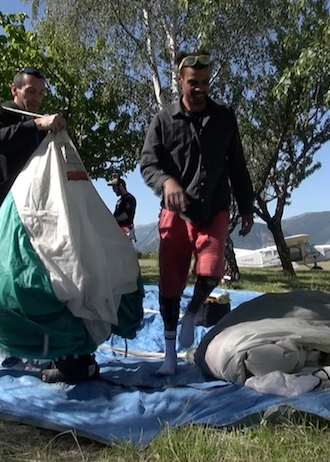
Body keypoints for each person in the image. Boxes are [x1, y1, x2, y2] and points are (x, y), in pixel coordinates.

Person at [140, 50, 254, 376]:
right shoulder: (163, 121)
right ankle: (169, 352)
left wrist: (245, 206)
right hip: (177, 211)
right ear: (180, 80)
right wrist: (167, 182)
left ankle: (192, 312)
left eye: (205, 82)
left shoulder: (225, 118)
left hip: (215, 207)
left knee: (211, 271)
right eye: (193, 83)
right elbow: (148, 163)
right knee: (170, 282)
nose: (200, 88)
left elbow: (238, 165)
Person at [0, 66, 67, 384]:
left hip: (28, 214)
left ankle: (10, 354)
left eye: (40, 92)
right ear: (15, 90)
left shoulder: (37, 128)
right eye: (30, 91)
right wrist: (37, 123)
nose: (35, 98)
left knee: (22, 285)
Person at [108, 177, 137, 241]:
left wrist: (111, 219)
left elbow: (125, 215)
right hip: (118, 230)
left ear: (121, 186)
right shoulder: (120, 200)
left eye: (114, 187)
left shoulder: (129, 199)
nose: (113, 190)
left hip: (124, 232)